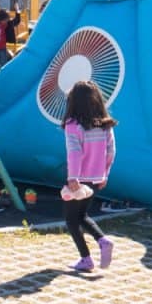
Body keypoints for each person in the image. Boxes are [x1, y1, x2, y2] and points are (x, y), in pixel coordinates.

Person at [61, 80, 118, 272]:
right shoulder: (104, 125)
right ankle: (102, 241)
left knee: (71, 219)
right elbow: (111, 151)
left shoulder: (72, 125)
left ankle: (86, 258)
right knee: (82, 215)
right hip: (94, 179)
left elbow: (74, 153)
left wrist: (73, 178)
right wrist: (104, 174)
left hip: (78, 180)